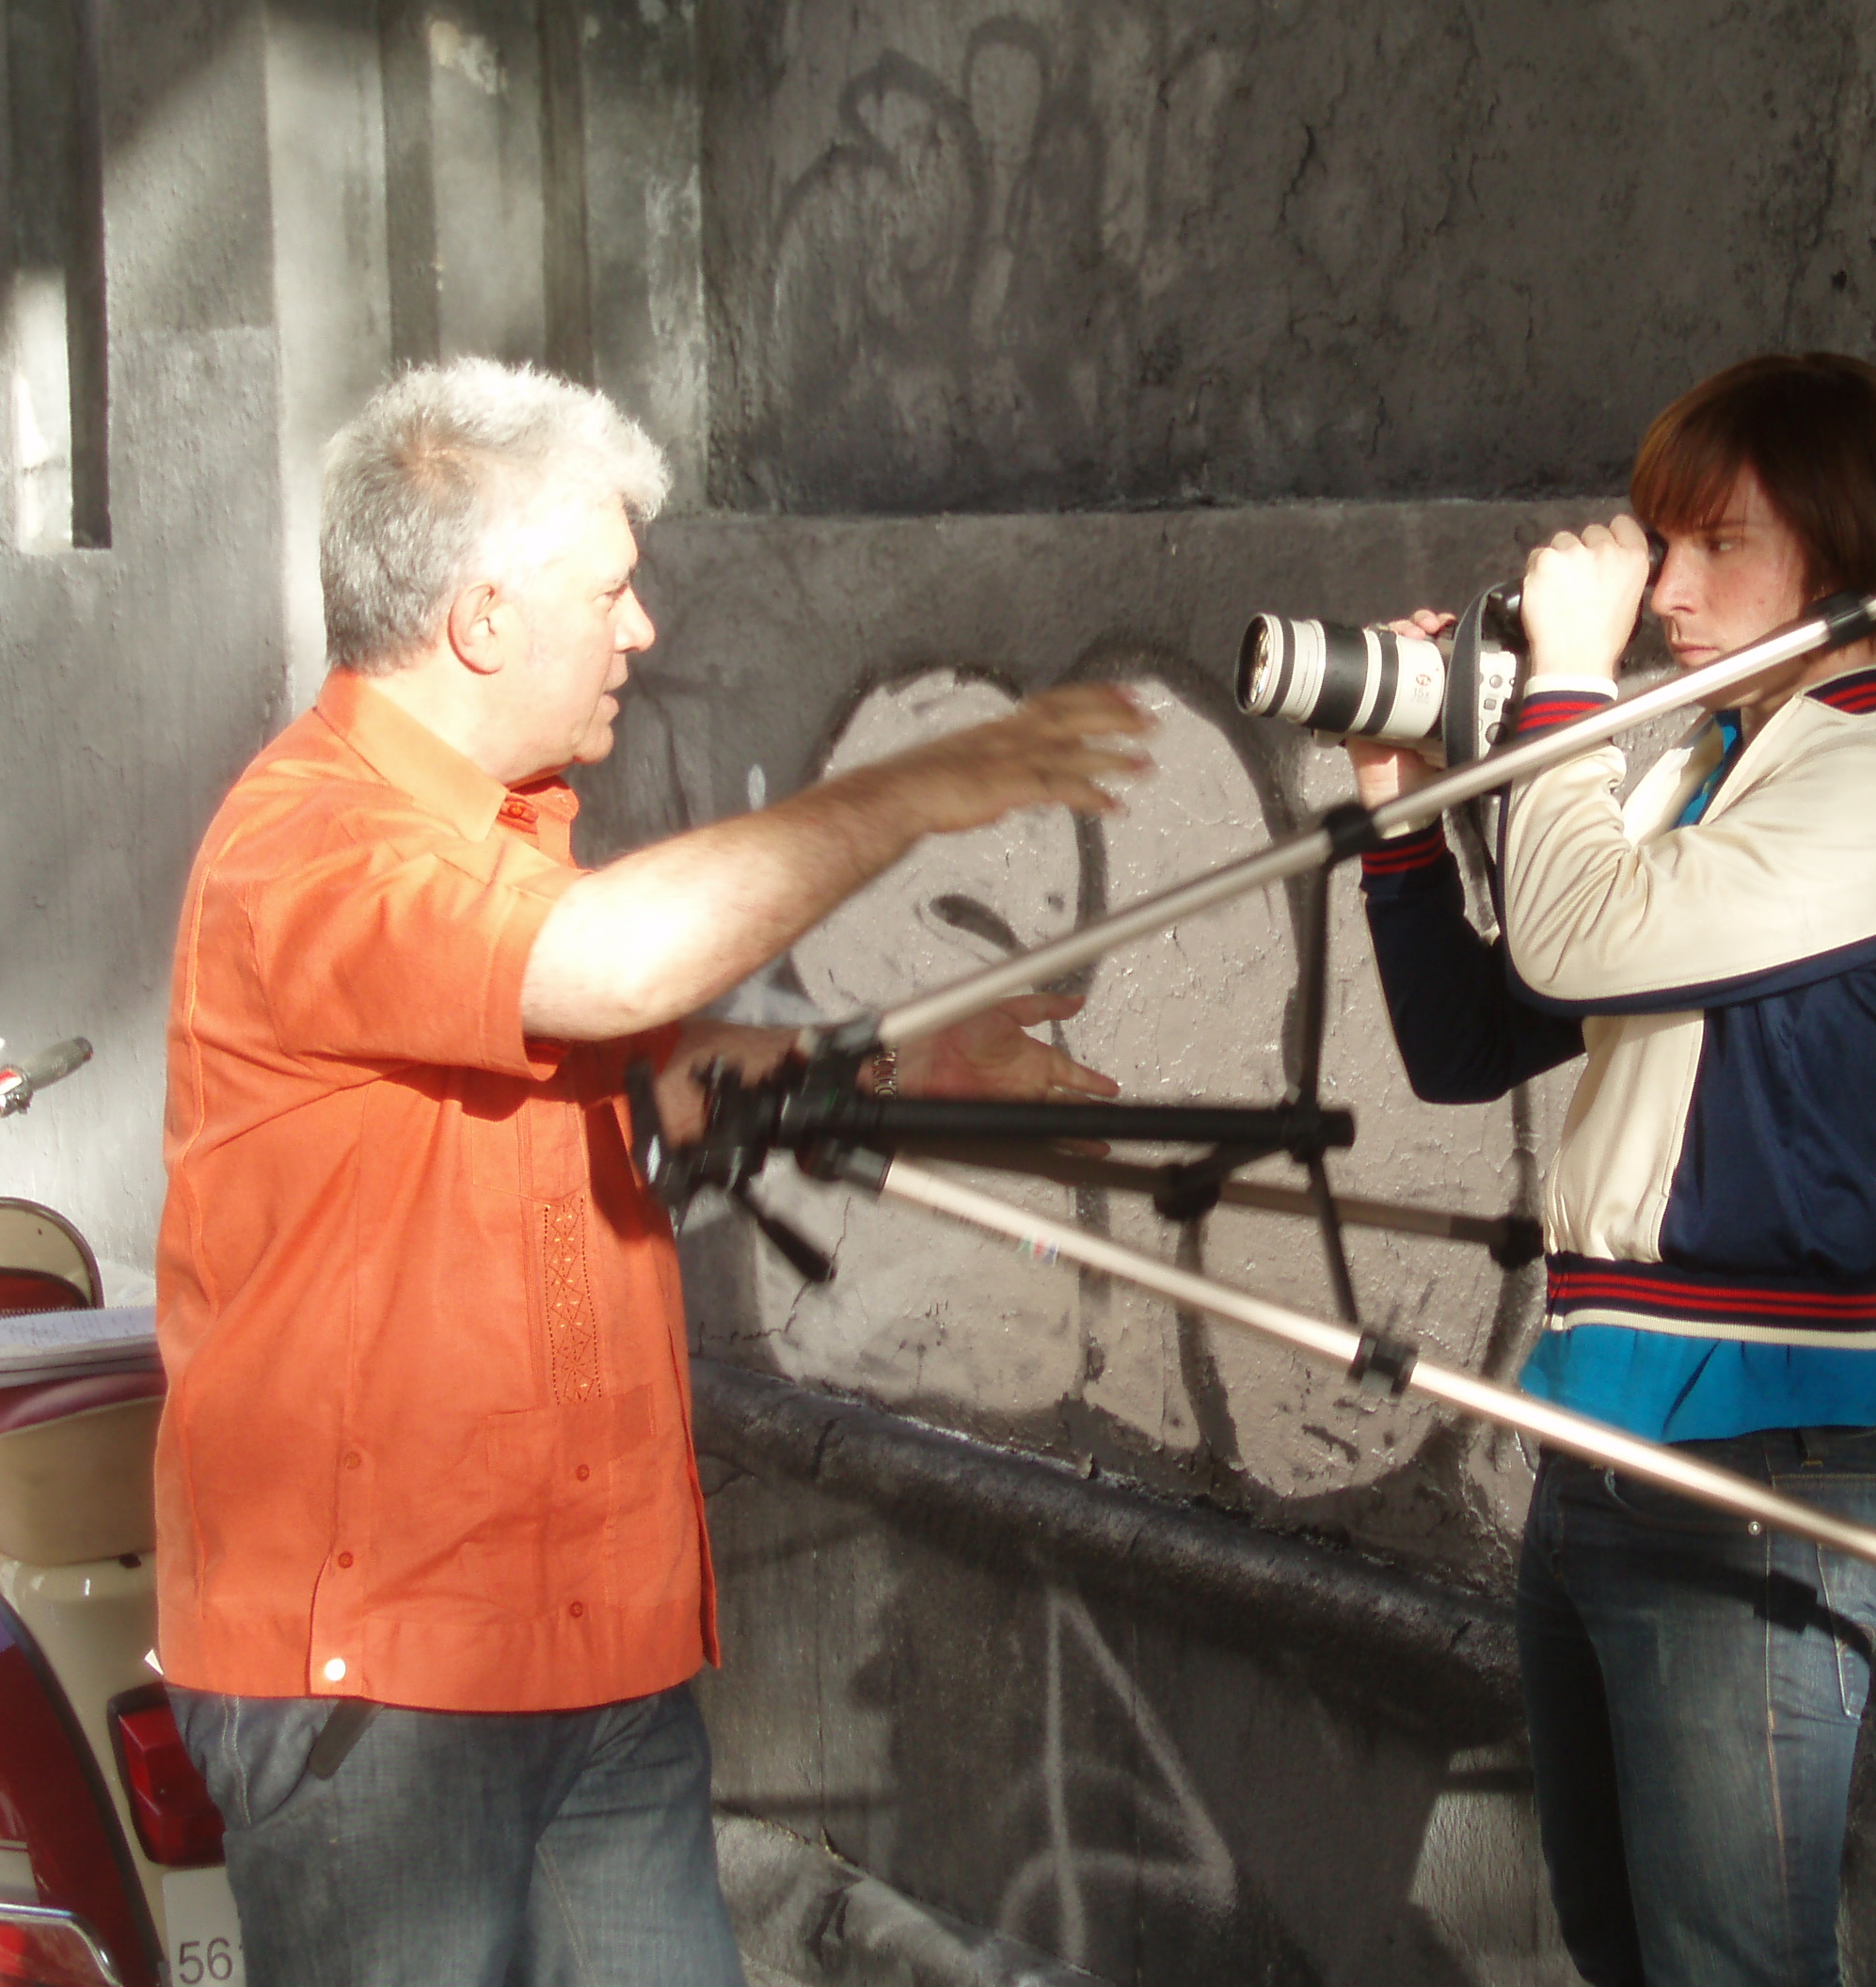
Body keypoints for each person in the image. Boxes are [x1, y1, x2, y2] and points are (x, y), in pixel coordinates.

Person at [154, 358, 1153, 1987]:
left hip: (593, 1662)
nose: (643, 629)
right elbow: (607, 974)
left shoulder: (495, 837)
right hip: (383, 1697)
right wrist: (911, 793)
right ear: (482, 618)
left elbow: (631, 1087)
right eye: (610, 591)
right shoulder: (312, 850)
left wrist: (906, 1069)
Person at [1347, 352, 1876, 1987]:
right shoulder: (1730, 764)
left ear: (1849, 564)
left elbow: (1573, 938)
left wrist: (1566, 677)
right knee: (1622, 1948)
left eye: (1721, 548)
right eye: (1661, 546)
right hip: (1599, 1431)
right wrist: (1405, 817)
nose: (1671, 594)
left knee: (1728, 1965)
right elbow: (1477, 1039)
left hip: (1750, 1466)